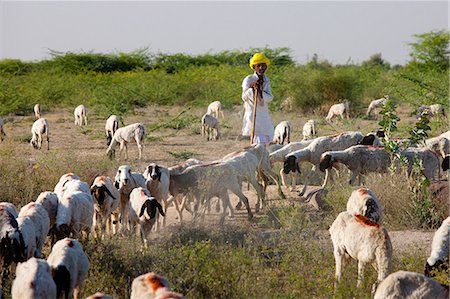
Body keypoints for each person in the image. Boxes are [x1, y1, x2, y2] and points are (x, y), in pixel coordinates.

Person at [241, 52, 274, 145]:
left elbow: (270, 97)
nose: (261, 68)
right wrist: (253, 89)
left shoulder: (266, 80)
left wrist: (260, 91)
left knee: (269, 134)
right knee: (256, 138)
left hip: (263, 113)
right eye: (259, 65)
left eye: (263, 66)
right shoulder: (249, 79)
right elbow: (244, 97)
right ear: (254, 66)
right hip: (252, 113)